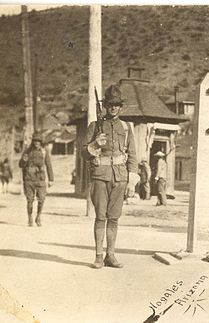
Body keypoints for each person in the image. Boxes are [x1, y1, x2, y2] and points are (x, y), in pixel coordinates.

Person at [83, 84, 139, 269]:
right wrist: (95, 145)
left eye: (117, 104)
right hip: (100, 176)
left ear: (121, 106)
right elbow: (83, 153)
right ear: (105, 105)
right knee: (100, 217)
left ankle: (111, 255)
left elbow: (132, 155)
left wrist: (132, 182)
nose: (113, 107)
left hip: (120, 178)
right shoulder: (95, 126)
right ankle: (99, 256)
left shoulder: (126, 127)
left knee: (114, 218)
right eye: (110, 104)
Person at [18, 132, 54, 227]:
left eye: (38, 141)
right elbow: (21, 165)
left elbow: (48, 164)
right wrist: (24, 161)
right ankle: (30, 218)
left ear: (41, 142)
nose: (36, 142)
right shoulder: (27, 151)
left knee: (41, 199)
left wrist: (51, 179)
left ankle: (38, 217)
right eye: (35, 141)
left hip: (40, 179)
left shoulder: (44, 151)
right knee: (30, 200)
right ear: (33, 141)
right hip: (29, 179)